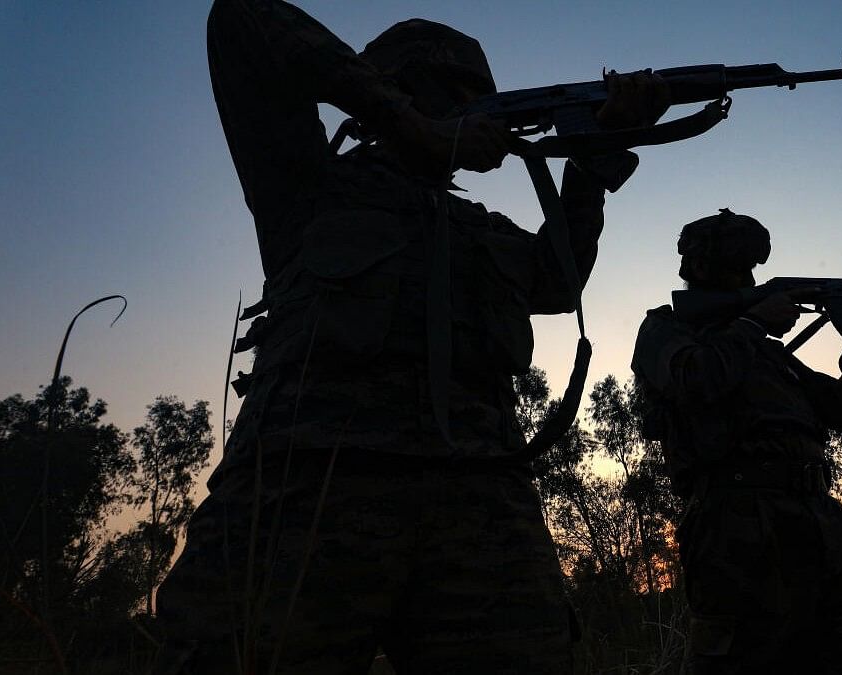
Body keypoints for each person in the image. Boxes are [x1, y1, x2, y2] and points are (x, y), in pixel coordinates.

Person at [154, 1, 667, 673]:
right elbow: (243, 19)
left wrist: (591, 157)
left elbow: (556, 283)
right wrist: (412, 127)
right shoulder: (308, 187)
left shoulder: (484, 230)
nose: (482, 114)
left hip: (483, 505)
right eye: (456, 96)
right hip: (307, 497)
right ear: (397, 91)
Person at [630, 209, 842, 674]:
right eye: (736, 268)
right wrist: (752, 324)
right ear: (700, 270)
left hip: (820, 522)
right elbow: (695, 379)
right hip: (734, 526)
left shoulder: (770, 355)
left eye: (752, 270)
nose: (747, 280)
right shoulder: (665, 331)